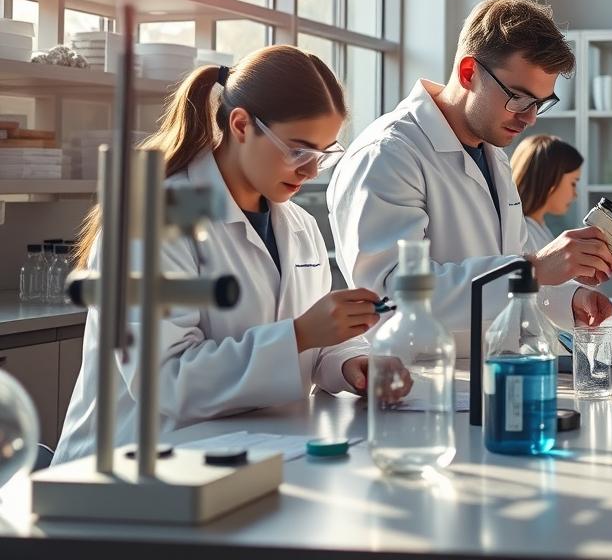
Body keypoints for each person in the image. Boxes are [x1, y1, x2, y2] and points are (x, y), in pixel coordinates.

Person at [55, 46, 377, 464]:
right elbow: (167, 380)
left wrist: (351, 362)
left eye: (324, 155)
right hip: (134, 468)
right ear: (241, 125)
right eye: (298, 151)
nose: (311, 171)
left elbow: (316, 350)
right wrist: (299, 334)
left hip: (249, 453)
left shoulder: (298, 224)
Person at [327, 0, 612, 347]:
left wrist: (567, 298)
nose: (530, 118)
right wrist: (535, 268)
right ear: (468, 73)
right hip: (420, 373)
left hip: (490, 366)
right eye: (519, 98)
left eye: (540, 103)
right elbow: (390, 296)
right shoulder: (389, 153)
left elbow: (509, 271)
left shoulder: (493, 153)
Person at [511, 134, 583, 252]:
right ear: (551, 180)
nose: (575, 194)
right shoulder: (523, 236)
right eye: (573, 183)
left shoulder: (539, 227)